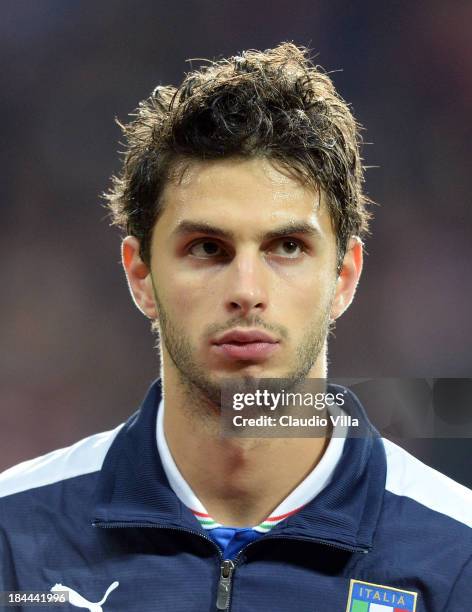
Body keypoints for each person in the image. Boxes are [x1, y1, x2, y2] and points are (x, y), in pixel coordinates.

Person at [0, 43, 470, 612]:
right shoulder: (14, 535)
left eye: (287, 247)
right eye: (207, 248)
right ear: (141, 274)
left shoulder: (455, 554)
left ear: (344, 276)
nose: (247, 290)